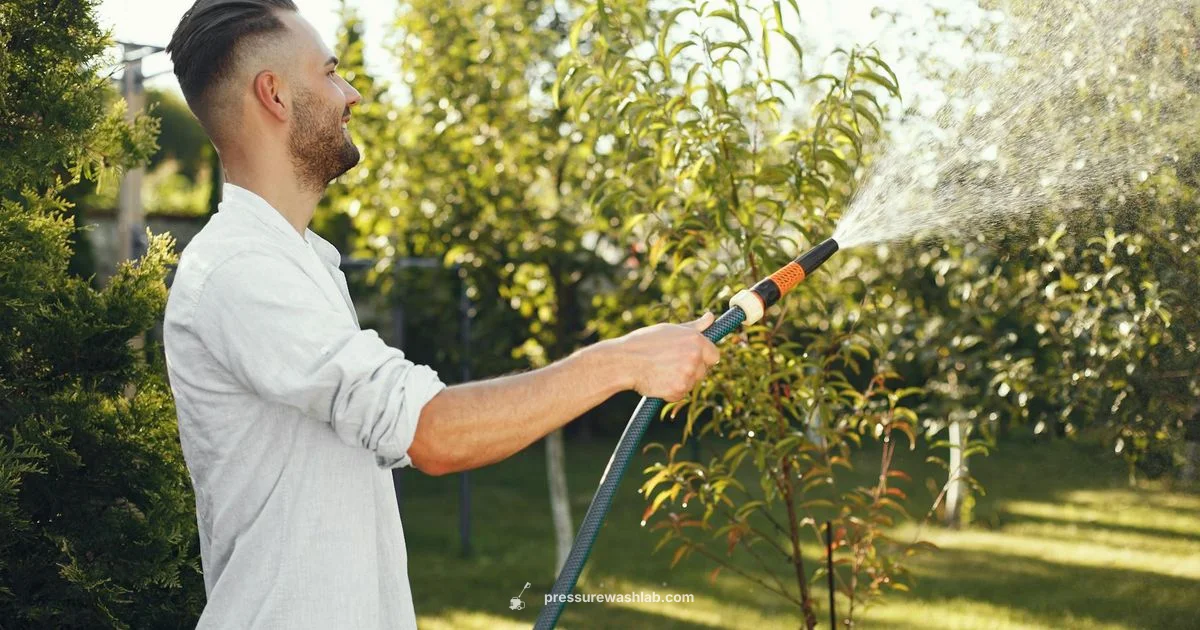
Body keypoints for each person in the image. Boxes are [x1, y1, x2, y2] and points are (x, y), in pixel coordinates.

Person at [160, 1, 720, 628]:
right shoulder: (242, 272)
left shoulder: (301, 263)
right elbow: (433, 434)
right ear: (275, 95)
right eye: (330, 72)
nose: (353, 93)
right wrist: (622, 361)